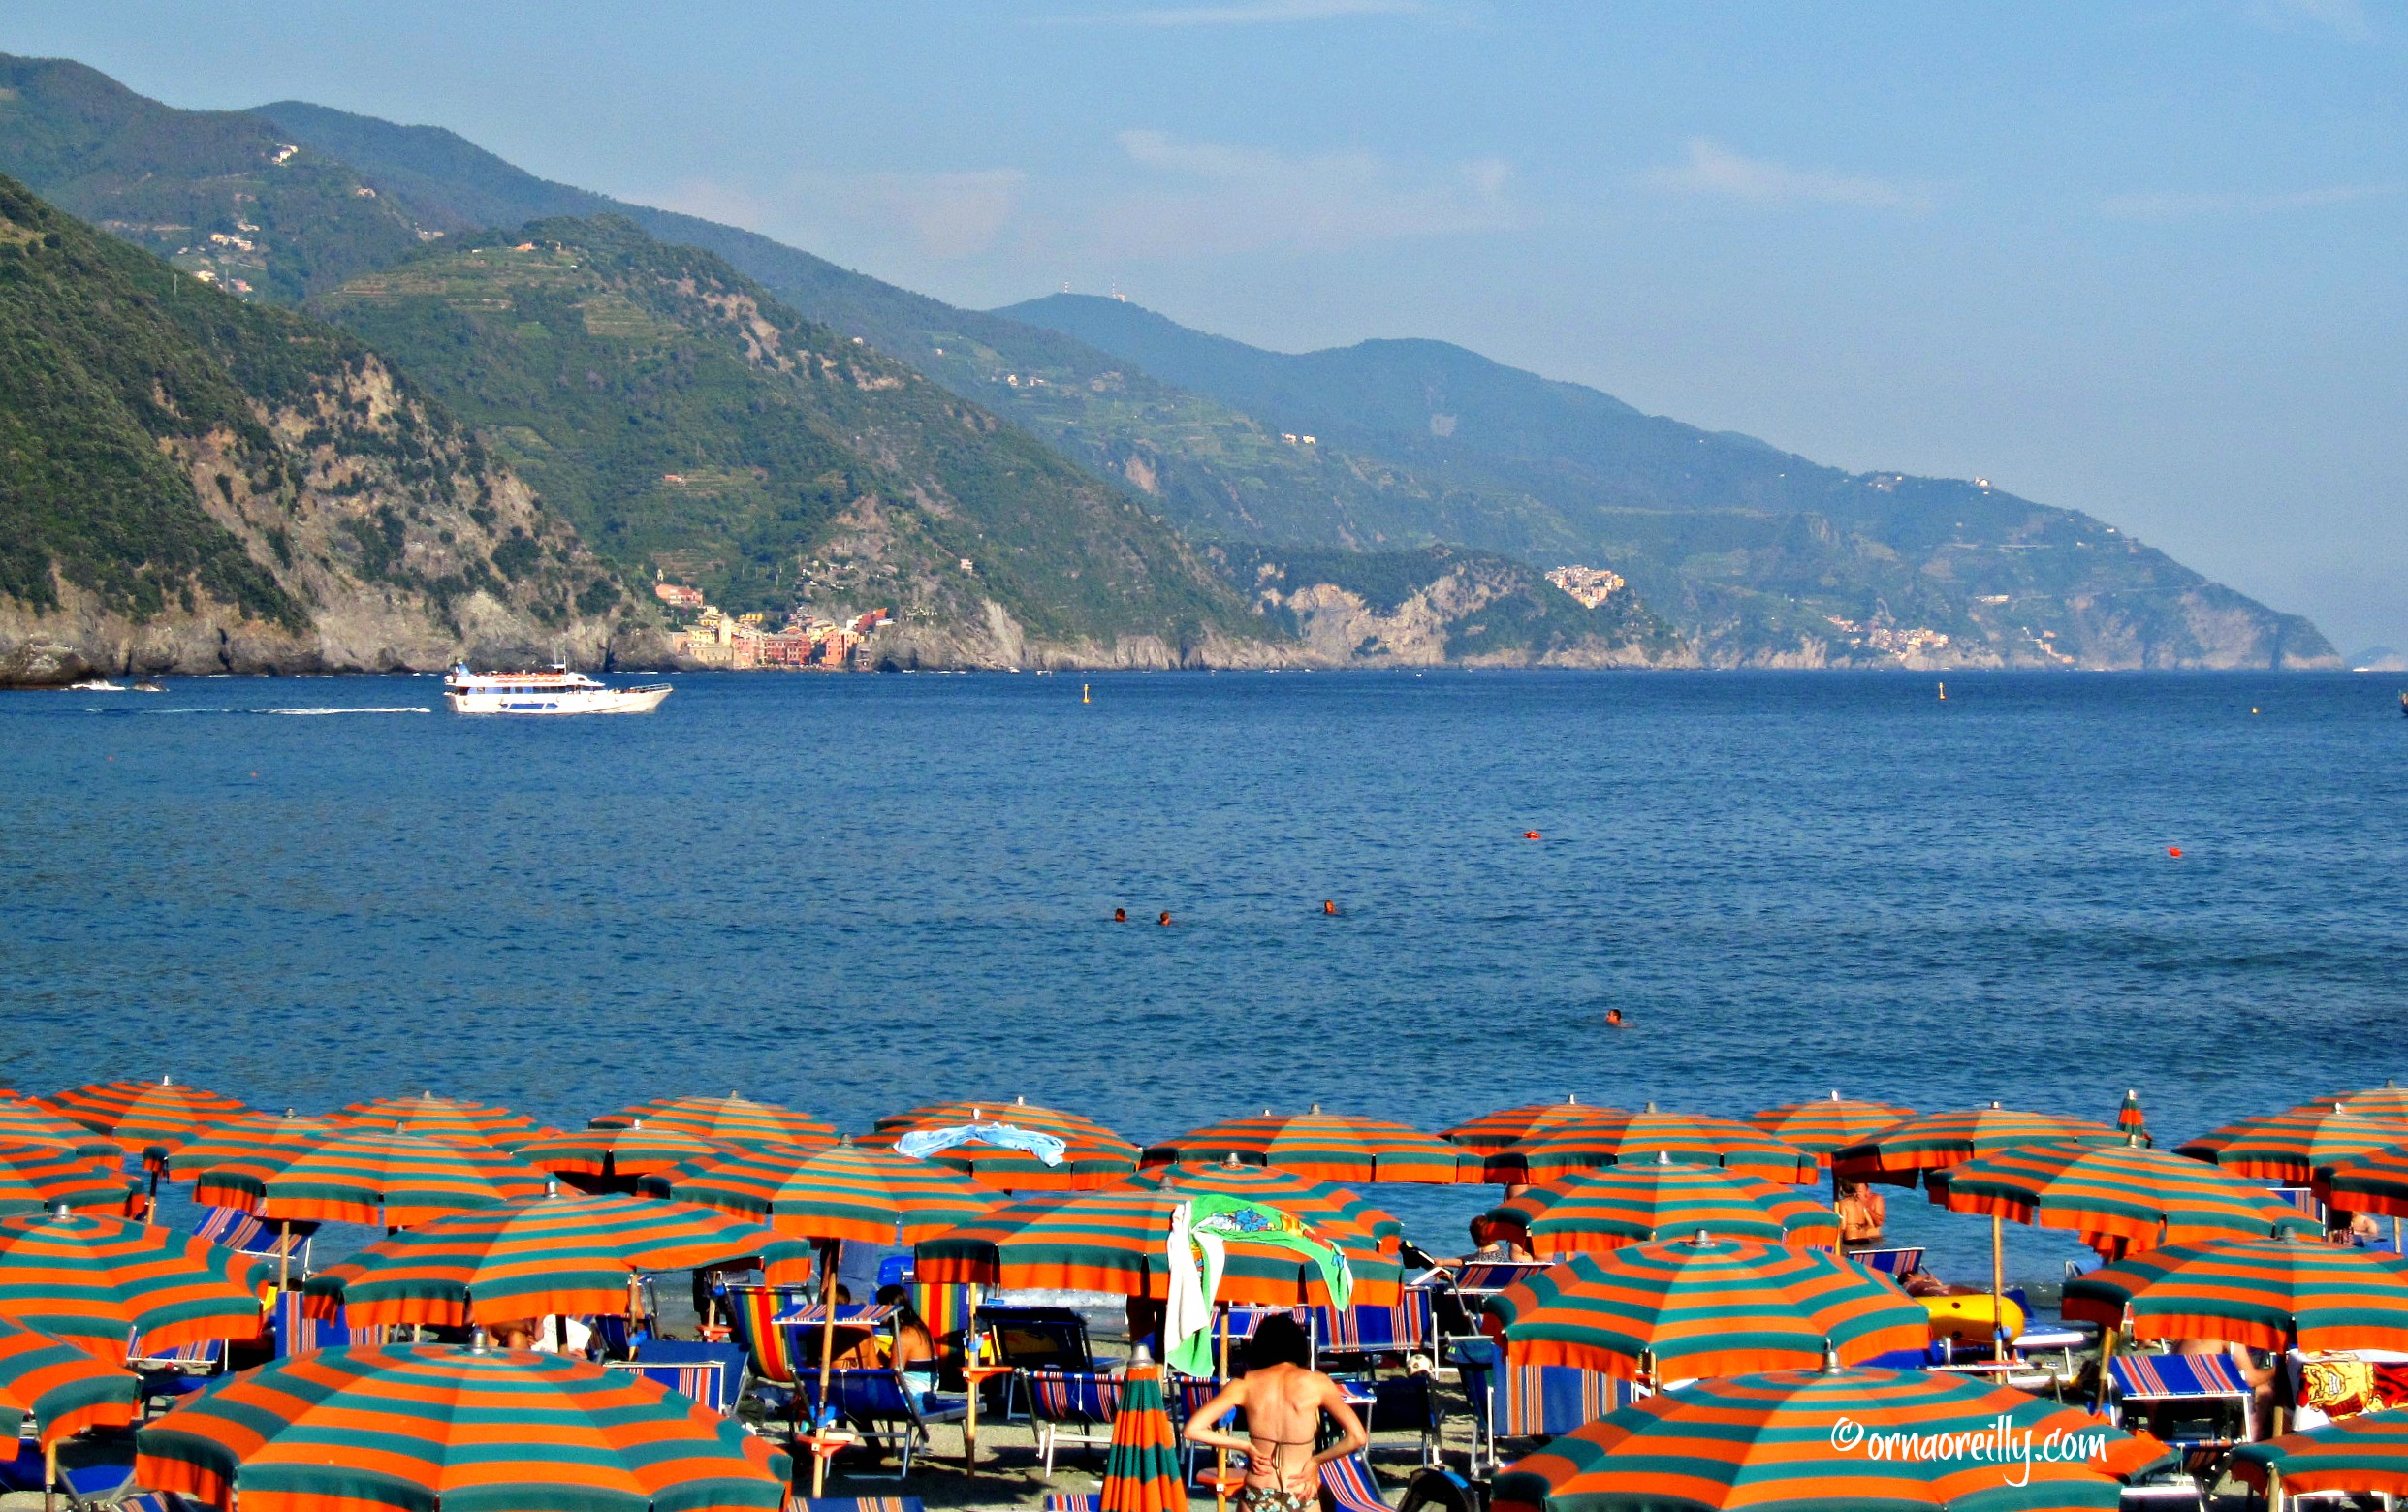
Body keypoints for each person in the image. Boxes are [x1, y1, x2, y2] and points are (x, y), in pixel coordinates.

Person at [1183, 1314, 1367, 1512]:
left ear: (1260, 1348)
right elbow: (1357, 1437)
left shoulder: (1245, 1384)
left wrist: (1244, 1446)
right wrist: (1316, 1461)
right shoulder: (1318, 1383)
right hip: (1300, 1490)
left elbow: (1192, 1429)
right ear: (1299, 1347)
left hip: (1257, 1491)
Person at [874, 1284, 941, 1402]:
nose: (876, 1309)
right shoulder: (918, 1328)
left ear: (889, 1307)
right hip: (926, 1396)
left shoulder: (904, 1335)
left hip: (913, 1400)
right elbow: (901, 1368)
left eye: (879, 1305)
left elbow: (893, 1377)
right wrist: (878, 1352)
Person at [1835, 1179, 1887, 1247]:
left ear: (1841, 1189)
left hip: (1851, 1238)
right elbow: (1871, 1224)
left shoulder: (1843, 1203)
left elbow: (1843, 1226)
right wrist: (1859, 1228)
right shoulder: (1861, 1203)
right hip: (1864, 1238)